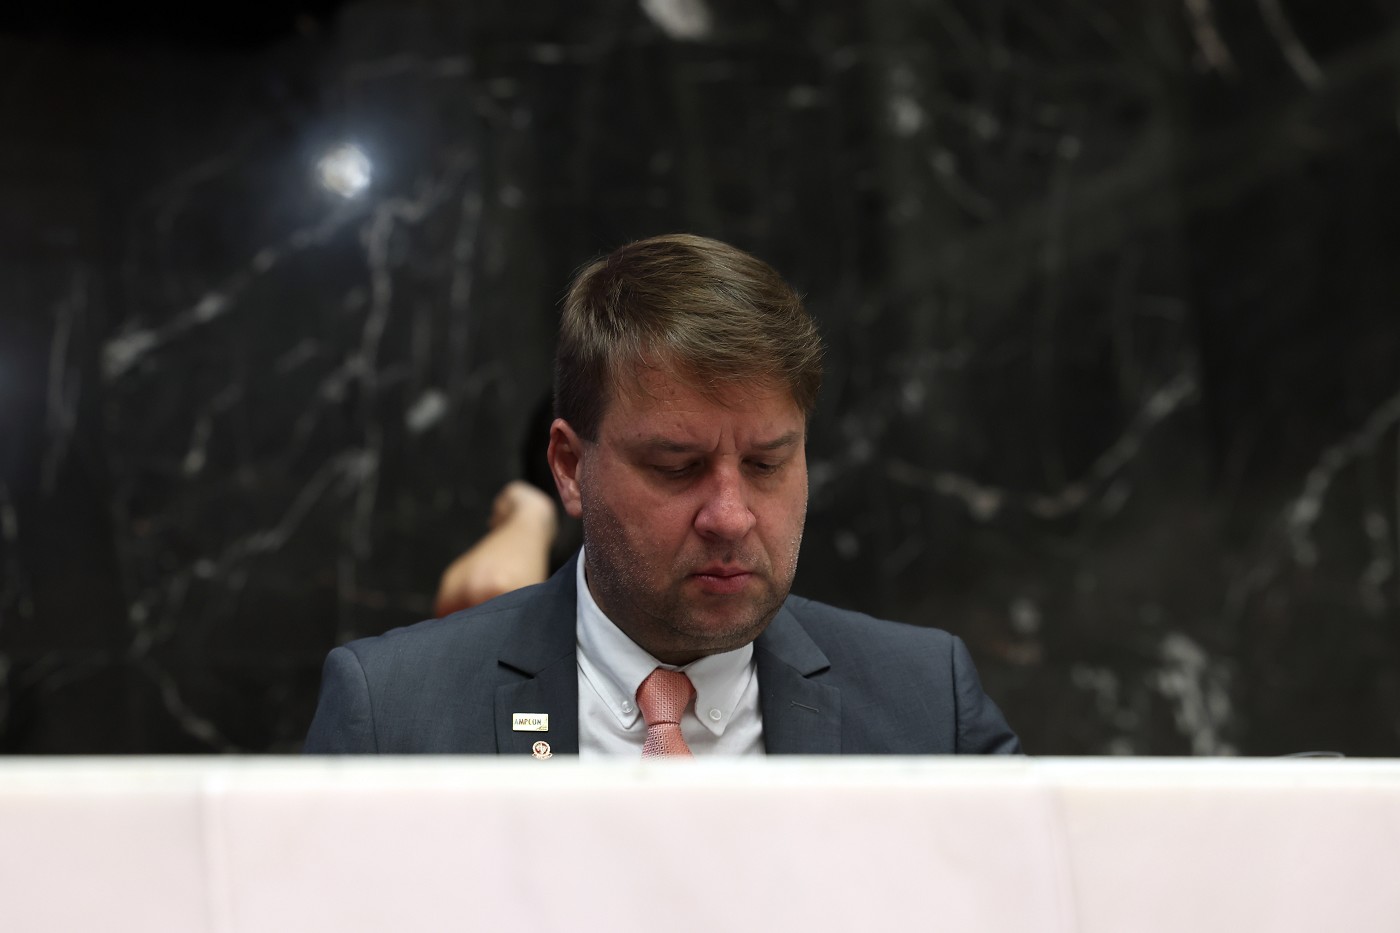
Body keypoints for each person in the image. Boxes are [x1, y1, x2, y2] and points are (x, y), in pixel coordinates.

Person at [305, 233, 1020, 756]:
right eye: (677, 467)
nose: (731, 516)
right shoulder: (393, 713)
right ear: (568, 467)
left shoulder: (929, 705)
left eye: (767, 463)